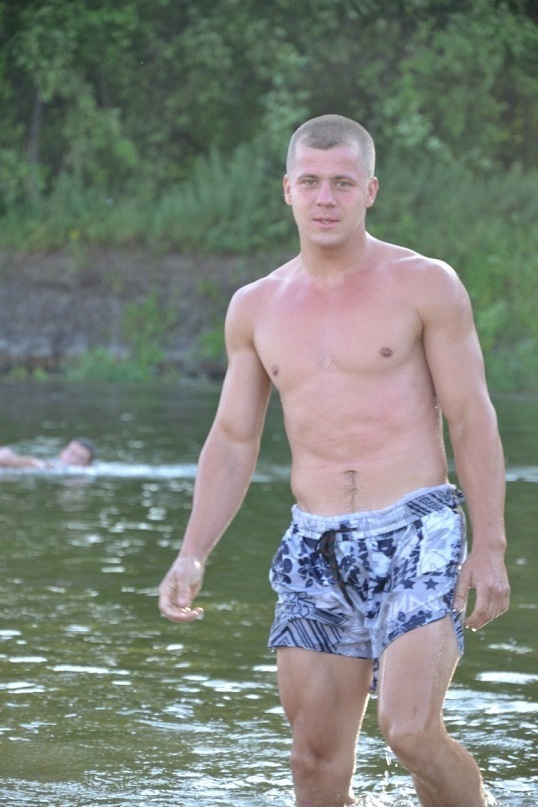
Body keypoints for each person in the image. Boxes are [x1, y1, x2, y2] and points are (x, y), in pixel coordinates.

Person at [158, 114, 510, 807]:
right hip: (315, 544)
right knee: (314, 763)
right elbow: (233, 439)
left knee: (410, 732)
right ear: (287, 189)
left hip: (418, 531)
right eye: (312, 181)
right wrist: (192, 552)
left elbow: (471, 417)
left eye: (343, 183)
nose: (326, 198)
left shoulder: (425, 284)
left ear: (369, 190)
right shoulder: (255, 306)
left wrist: (491, 545)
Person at [0, 437, 95, 469]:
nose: (73, 459)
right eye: (72, 453)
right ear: (62, 453)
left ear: (87, 465)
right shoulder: (52, 466)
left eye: (81, 458)